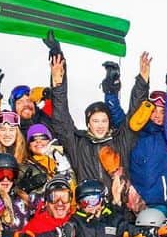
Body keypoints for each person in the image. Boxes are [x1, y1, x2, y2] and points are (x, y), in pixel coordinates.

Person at [47, 32, 146, 191]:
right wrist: (58, 82)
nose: (100, 125)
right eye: (95, 121)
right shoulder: (77, 143)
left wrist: (142, 81)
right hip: (88, 206)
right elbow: (61, 117)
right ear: (88, 124)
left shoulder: (120, 140)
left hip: (118, 207)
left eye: (104, 121)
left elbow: (135, 115)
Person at [108, 46, 167, 209]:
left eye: (162, 111)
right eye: (154, 110)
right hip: (130, 201)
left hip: (158, 203)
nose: (158, 115)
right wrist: (110, 91)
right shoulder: (135, 131)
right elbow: (116, 113)